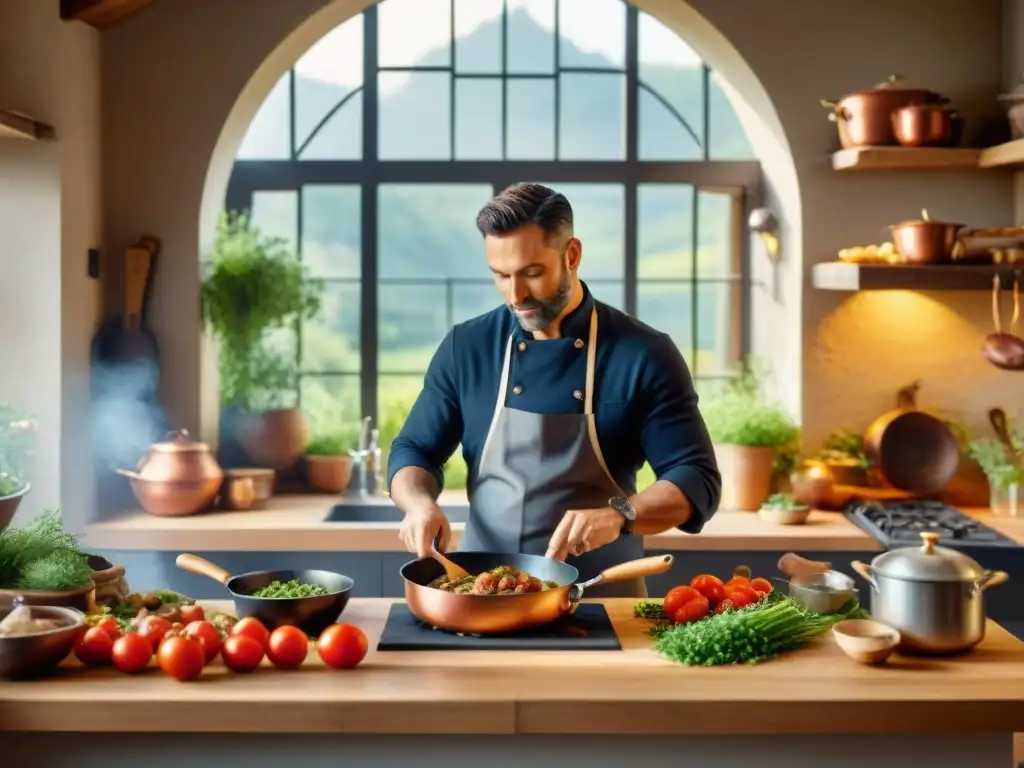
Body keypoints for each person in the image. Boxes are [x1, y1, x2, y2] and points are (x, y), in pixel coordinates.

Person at [387, 182, 721, 597]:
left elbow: (696, 478)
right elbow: (415, 449)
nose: (516, 295)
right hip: (477, 598)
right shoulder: (467, 347)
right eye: (501, 276)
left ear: (572, 255)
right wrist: (419, 503)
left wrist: (621, 514)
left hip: (601, 600)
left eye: (532, 273)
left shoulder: (643, 354)